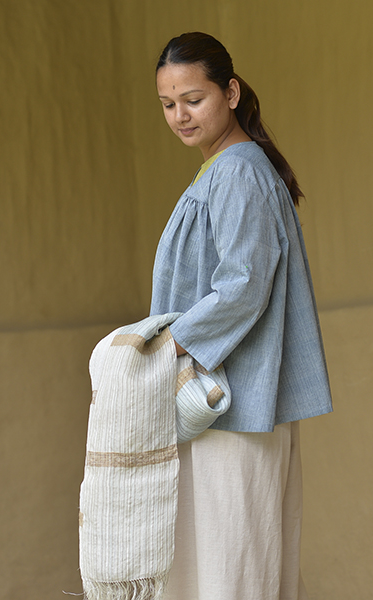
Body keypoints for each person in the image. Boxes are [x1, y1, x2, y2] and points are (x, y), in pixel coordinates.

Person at [151, 32, 332, 600]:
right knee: (236, 562)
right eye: (167, 104)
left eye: (193, 99)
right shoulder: (225, 168)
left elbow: (243, 286)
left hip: (234, 405)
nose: (180, 115)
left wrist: (166, 344)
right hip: (230, 405)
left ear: (230, 92)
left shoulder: (236, 171)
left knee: (234, 567)